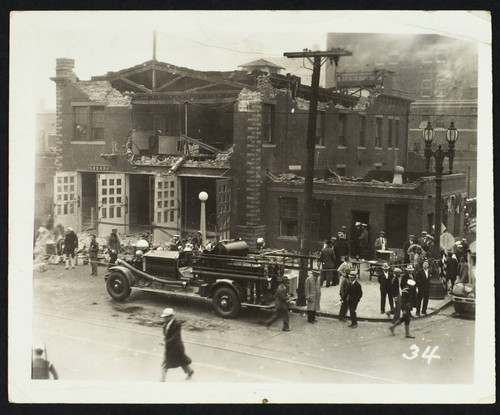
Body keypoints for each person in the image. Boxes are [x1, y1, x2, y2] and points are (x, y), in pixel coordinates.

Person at [159, 308, 194, 381]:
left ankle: (162, 379)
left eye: (166, 317)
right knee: (180, 361)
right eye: (164, 317)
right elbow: (167, 334)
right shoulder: (166, 324)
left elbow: (176, 337)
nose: (164, 319)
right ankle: (190, 371)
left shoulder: (177, 324)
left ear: (171, 316)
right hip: (170, 347)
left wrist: (166, 342)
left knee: (168, 362)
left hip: (176, 347)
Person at [337, 256, 352, 322]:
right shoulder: (345, 279)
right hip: (344, 294)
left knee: (346, 305)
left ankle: (343, 316)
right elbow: (338, 270)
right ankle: (341, 316)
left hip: (346, 294)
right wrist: (343, 296)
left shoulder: (349, 264)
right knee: (344, 305)